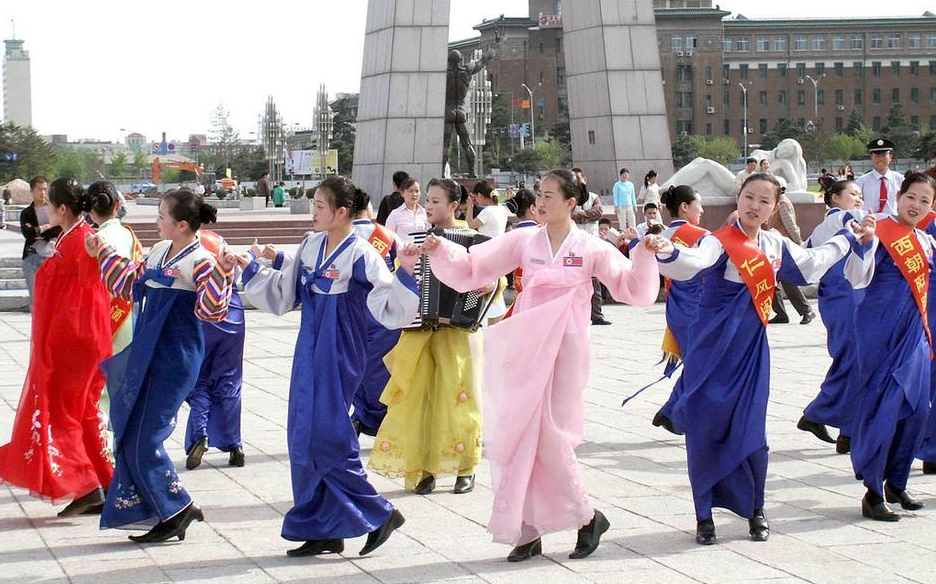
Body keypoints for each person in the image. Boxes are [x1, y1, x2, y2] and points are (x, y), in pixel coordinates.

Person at [418, 169, 662, 562]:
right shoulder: (523, 240)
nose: (542, 201)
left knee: (553, 437)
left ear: (571, 202)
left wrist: (646, 252)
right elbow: (472, 268)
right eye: (540, 194)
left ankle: (586, 516)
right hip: (528, 344)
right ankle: (527, 528)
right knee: (519, 434)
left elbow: (631, 287)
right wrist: (439, 250)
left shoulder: (592, 246)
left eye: (551, 195)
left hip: (566, 348)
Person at [654, 173, 873, 545]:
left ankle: (756, 509)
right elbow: (690, 262)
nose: (755, 206)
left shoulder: (774, 243)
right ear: (737, 200)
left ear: (773, 209)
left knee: (752, 431)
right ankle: (703, 514)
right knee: (706, 428)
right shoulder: (717, 241)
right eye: (749, 197)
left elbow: (812, 264)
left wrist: (849, 238)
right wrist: (666, 250)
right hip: (712, 348)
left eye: (764, 201)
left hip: (752, 349)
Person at [236, 176, 418, 557]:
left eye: (320, 205)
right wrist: (248, 267)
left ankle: (378, 512)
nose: (314, 211)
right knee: (302, 433)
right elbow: (284, 292)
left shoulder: (362, 253)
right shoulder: (310, 245)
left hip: (341, 348)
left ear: (341, 212)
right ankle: (323, 528)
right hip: (309, 345)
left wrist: (405, 272)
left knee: (329, 434)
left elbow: (390, 303)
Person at [89, 188, 235, 543]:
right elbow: (128, 284)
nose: (155, 222)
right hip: (146, 353)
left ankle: (176, 507)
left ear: (182, 225)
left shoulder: (201, 259)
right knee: (128, 431)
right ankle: (168, 509)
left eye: (161, 216)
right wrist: (102, 252)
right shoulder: (156, 251)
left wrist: (224, 274)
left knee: (144, 436)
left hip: (174, 358)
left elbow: (211, 310)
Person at [0, 178, 113, 517]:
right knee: (85, 412)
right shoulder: (75, 238)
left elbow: (80, 294)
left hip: (74, 342)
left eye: (49, 202)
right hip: (89, 338)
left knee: (64, 413)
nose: (45, 207)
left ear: (62, 209)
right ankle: (108, 481)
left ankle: (86, 485)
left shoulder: (79, 241)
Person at [368, 178, 486, 496]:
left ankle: (466, 466)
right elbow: (399, 278)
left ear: (453, 205)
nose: (429, 206)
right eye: (428, 201)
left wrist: (484, 288)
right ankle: (426, 468)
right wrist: (405, 267)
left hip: (456, 332)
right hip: (421, 331)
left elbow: (492, 279)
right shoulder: (417, 240)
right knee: (420, 400)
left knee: (459, 397)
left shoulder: (473, 240)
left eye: (436, 201)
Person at [848, 173, 935, 521]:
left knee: (918, 411)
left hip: (914, 336)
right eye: (911, 197)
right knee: (884, 410)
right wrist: (864, 243)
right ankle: (872, 491)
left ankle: (896, 482)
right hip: (880, 334)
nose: (916, 205)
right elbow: (857, 275)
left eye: (925, 201)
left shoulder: (926, 243)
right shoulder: (879, 230)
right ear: (898, 197)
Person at [796, 181, 866, 454]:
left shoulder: (819, 228)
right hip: (848, 296)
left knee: (851, 360)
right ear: (834, 198)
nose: (859, 199)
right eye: (853, 194)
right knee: (854, 360)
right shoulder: (848, 218)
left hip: (833, 297)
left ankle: (848, 432)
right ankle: (818, 413)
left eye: (861, 194)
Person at [86, 180, 143, 452]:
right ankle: (124, 449)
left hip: (102, 322)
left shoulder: (94, 241)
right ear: (118, 206)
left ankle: (105, 454)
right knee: (123, 389)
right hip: (130, 318)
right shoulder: (129, 235)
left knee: (100, 393)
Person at [183, 228, 247, 470]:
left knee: (199, 380)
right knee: (230, 381)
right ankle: (234, 445)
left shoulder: (189, 244)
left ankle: (200, 435)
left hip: (205, 313)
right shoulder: (219, 240)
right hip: (233, 314)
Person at [650, 185, 708, 435]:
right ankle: (673, 412)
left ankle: (672, 413)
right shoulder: (701, 236)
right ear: (685, 207)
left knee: (699, 363)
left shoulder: (658, 237)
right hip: (700, 308)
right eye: (699, 204)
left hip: (675, 308)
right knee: (704, 363)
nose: (702, 209)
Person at [348, 190, 405, 438]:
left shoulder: (342, 238)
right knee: (382, 368)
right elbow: (404, 272)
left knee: (355, 367)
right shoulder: (387, 236)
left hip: (350, 313)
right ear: (369, 207)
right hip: (383, 314)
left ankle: (361, 416)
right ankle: (381, 417)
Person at [767, 189, 817, 325]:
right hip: (774, 245)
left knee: (787, 280)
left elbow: (790, 226)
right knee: (771, 281)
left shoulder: (782, 203)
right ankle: (781, 313)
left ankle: (806, 310)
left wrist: (798, 243)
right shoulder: (775, 202)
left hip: (783, 246)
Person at [465, 180, 510, 323]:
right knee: (496, 287)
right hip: (499, 253)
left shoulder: (488, 211)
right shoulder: (501, 209)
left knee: (486, 288)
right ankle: (496, 319)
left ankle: (487, 320)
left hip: (486, 253)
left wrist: (470, 206)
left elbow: (469, 225)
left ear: (480, 195)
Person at [572, 168, 610, 325]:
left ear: (584, 180)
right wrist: (585, 215)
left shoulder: (593, 197)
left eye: (578, 179)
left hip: (591, 245)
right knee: (572, 279)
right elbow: (570, 216)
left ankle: (597, 315)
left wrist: (581, 214)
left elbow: (598, 213)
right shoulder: (567, 198)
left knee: (594, 280)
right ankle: (575, 315)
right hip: (572, 246)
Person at [20, 176, 61, 312]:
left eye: (44, 189)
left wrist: (38, 231)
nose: (42, 193)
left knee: (53, 298)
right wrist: (47, 227)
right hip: (31, 257)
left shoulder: (54, 209)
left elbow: (57, 230)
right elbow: (28, 234)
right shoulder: (26, 213)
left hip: (51, 256)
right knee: (36, 299)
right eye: (39, 189)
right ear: (32, 190)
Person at [857, 138, 905, 214]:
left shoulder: (899, 179)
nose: (880, 159)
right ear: (871, 157)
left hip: (893, 222)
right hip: (870, 222)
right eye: (876, 156)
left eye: (883, 155)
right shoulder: (861, 181)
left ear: (890, 157)